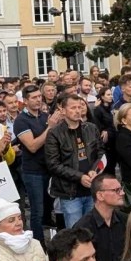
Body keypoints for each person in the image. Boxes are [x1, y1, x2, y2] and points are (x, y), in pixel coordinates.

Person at [44, 94, 103, 228]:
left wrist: (95, 170)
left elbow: (101, 152)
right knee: (75, 232)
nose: (78, 111)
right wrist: (79, 177)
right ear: (63, 110)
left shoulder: (91, 128)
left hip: (92, 188)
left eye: (80, 107)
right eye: (73, 108)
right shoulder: (54, 133)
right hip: (70, 192)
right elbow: (53, 164)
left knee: (93, 228)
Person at [14, 90, 55, 243]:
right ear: (25, 100)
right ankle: (39, 244)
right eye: (34, 98)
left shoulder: (44, 117)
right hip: (33, 172)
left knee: (49, 208)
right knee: (37, 211)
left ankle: (52, 241)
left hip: (49, 169)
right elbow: (32, 146)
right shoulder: (21, 120)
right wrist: (50, 128)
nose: (38, 100)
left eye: (39, 97)